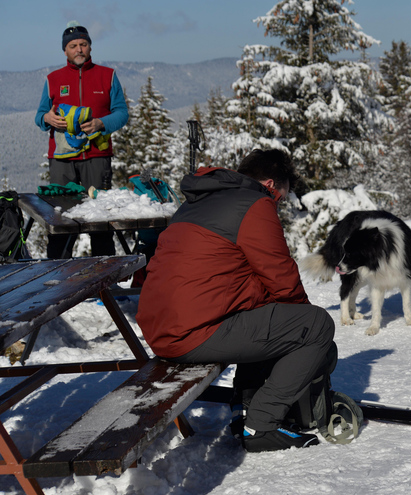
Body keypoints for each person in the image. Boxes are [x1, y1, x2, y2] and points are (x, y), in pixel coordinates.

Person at [136, 149, 336, 453]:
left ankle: (243, 408)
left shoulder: (198, 202)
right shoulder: (255, 204)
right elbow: (281, 276)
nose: (277, 206)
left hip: (162, 328)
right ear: (270, 185)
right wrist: (309, 334)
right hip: (192, 333)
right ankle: (262, 422)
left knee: (267, 313)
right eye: (280, 199)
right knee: (317, 325)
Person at [34, 21, 128, 258]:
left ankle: (103, 278)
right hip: (62, 162)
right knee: (61, 221)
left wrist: (101, 123)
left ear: (90, 47)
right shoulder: (53, 79)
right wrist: (47, 118)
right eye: (73, 45)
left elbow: (122, 113)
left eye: (83, 44)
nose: (79, 49)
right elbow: (39, 117)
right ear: (65, 50)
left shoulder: (107, 76)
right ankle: (57, 279)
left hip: (97, 158)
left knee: (101, 222)